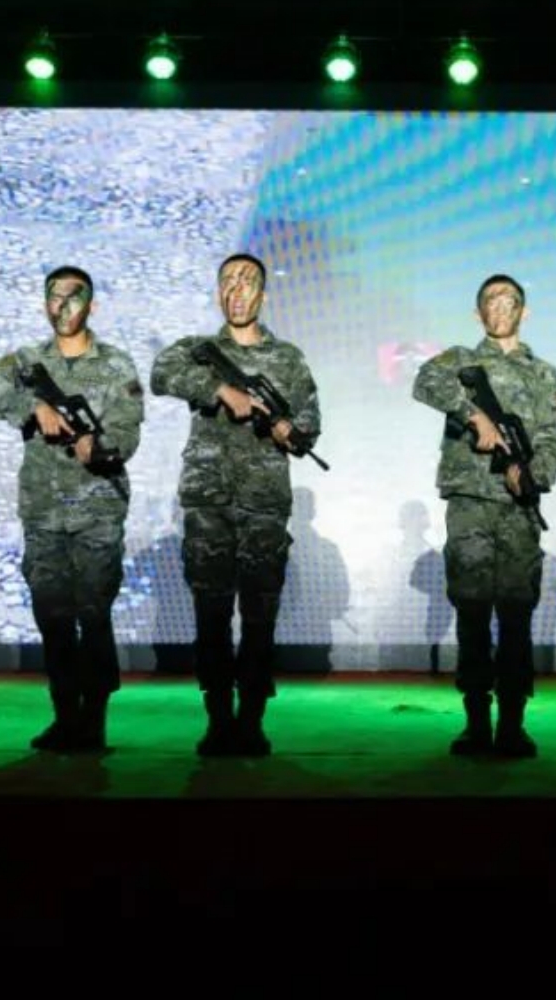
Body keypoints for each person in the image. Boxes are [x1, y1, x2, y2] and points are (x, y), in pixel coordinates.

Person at [150, 254, 321, 756]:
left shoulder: (287, 358)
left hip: (264, 502)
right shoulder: (200, 352)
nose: (237, 291)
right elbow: (161, 373)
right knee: (211, 614)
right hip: (209, 501)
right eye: (228, 282)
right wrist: (220, 389)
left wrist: (290, 431)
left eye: (247, 283)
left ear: (262, 296)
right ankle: (218, 719)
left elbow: (310, 425)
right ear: (218, 293)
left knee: (260, 616)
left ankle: (251, 719)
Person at [0, 266, 145, 753]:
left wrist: (100, 445)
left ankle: (94, 719)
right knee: (51, 616)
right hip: (44, 510)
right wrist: (31, 408)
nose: (64, 306)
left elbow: (129, 429)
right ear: (44, 304)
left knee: (93, 615)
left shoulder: (115, 364)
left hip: (97, 509)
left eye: (74, 297)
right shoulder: (27, 361)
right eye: (55, 297)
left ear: (92, 305)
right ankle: (64, 715)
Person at [412, 274, 556, 758]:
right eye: (491, 301)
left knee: (517, 616)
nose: (500, 308)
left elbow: (555, 437)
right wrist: (473, 414)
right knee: (473, 613)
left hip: (518, 508)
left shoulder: (544, 374)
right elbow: (424, 382)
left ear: (525, 312)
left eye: (510, 301)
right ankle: (476, 722)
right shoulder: (461, 360)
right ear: (477, 313)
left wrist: (533, 474)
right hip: (470, 504)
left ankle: (514, 725)